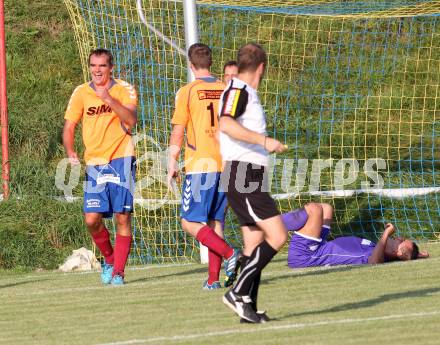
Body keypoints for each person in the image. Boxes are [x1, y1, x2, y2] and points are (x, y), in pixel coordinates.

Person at [219, 43, 288, 323]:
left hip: (246, 174)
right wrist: (264, 141)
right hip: (243, 174)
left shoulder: (245, 92)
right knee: (278, 235)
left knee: (255, 242)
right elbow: (225, 123)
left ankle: (248, 306)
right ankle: (236, 293)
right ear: (262, 67)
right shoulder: (239, 90)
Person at [167, 43, 240, 290]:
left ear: (190, 64)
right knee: (214, 222)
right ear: (211, 62)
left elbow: (178, 131)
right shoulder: (227, 89)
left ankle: (230, 253)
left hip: (201, 166)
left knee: (189, 222)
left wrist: (171, 163)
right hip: (226, 164)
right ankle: (212, 280)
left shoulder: (187, 91)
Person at [63, 48, 138, 285]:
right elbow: (69, 126)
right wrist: (70, 150)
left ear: (111, 68)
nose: (97, 70)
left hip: (121, 158)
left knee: (122, 217)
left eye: (102, 66)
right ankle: (108, 258)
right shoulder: (81, 92)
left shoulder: (124, 89)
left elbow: (131, 120)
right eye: (94, 66)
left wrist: (109, 99)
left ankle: (118, 272)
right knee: (91, 219)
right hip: (95, 163)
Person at [283, 203, 429, 268]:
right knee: (326, 209)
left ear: (394, 252)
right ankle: (271, 224)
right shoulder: (374, 247)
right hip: (319, 245)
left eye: (401, 241)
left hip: (306, 256)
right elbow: (406, 254)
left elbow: (374, 263)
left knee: (314, 210)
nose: (398, 237)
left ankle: (268, 225)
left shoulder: (374, 255)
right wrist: (418, 254)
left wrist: (385, 234)